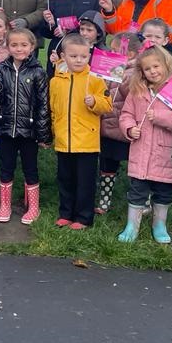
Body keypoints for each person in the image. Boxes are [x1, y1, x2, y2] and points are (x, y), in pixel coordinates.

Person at [117, 46, 172, 243]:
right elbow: (126, 114)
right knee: (137, 190)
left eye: (156, 66)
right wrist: (130, 128)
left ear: (166, 65)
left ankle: (159, 225)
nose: (153, 71)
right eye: (147, 69)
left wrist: (161, 118)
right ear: (141, 72)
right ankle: (132, 226)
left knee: (163, 192)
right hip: (141, 151)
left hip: (165, 153)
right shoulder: (137, 91)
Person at [0, 28, 50, 225]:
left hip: (29, 132)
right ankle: (5, 205)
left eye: (24, 45)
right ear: (8, 47)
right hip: (7, 129)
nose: (19, 48)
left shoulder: (38, 72)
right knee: (6, 168)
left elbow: (43, 105)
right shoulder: (1, 69)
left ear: (32, 47)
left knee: (30, 169)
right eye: (14, 45)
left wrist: (43, 135)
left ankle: (33, 207)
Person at [50, 35, 112, 229]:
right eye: (73, 56)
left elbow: (107, 105)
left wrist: (94, 102)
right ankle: (66, 213)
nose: (78, 60)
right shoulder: (56, 81)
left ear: (89, 57)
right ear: (63, 56)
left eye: (83, 57)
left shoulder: (94, 80)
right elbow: (53, 108)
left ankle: (83, 217)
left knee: (85, 182)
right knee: (65, 179)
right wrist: (53, 130)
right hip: (63, 140)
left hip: (86, 141)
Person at [96, 31, 140, 216]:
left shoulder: (137, 73)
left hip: (125, 130)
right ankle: (104, 200)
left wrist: (121, 80)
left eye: (115, 50)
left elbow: (136, 98)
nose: (111, 53)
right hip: (107, 127)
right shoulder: (110, 68)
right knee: (107, 165)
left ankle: (140, 200)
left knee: (135, 167)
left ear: (130, 54)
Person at [48, 9, 107, 74]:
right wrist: (57, 62)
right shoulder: (71, 48)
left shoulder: (104, 53)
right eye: (82, 29)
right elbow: (64, 72)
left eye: (89, 30)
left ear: (98, 32)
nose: (84, 33)